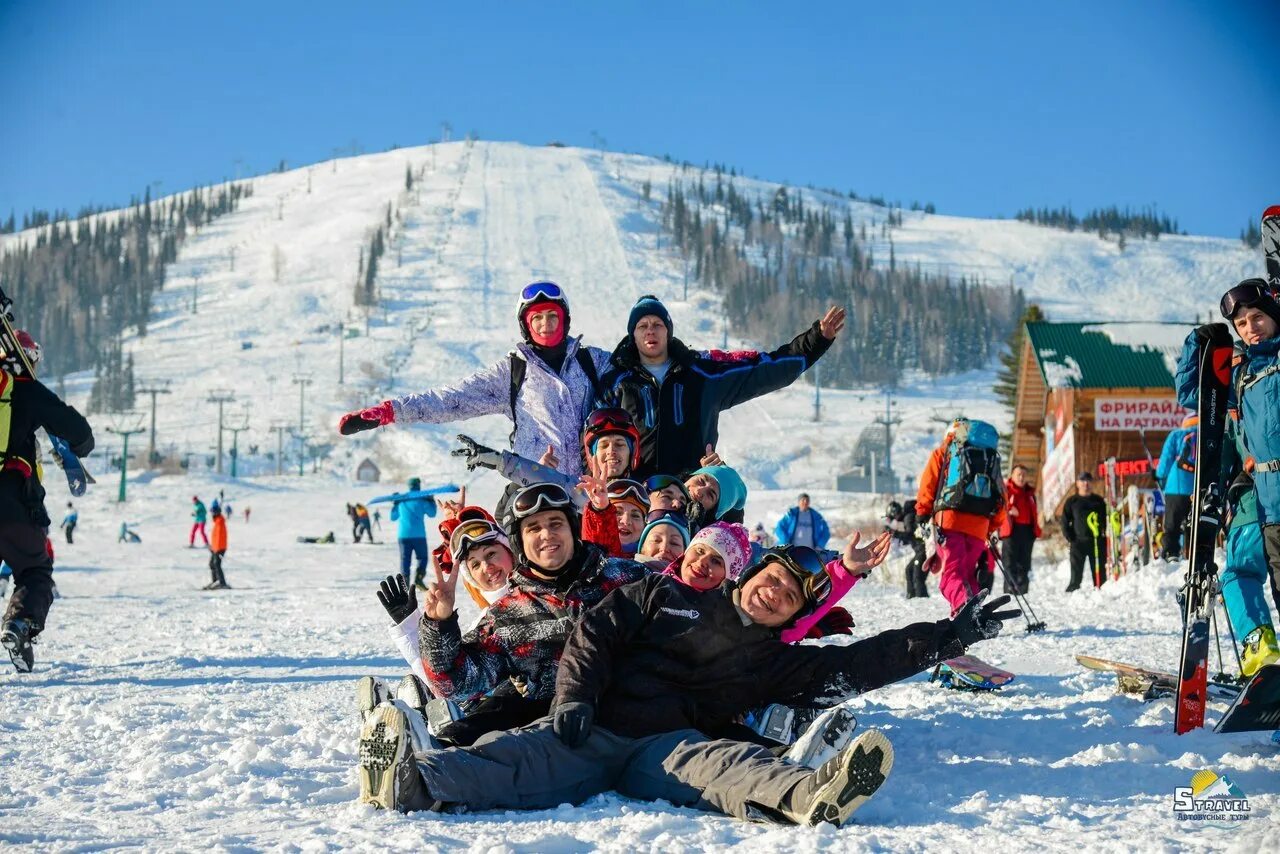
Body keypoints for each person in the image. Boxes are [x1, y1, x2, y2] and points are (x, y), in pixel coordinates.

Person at [357, 546, 1020, 823]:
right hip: (592, 726)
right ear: (746, 575)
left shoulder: (779, 663)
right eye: (771, 579)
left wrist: (947, 638)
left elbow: (866, 661)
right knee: (516, 757)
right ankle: (415, 778)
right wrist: (577, 699)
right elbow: (595, 633)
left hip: (668, 747)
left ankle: (811, 796)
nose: (775, 592)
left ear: (794, 614)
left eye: (789, 595)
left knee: (731, 764)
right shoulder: (663, 595)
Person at [413, 482, 648, 739]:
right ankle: (425, 763)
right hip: (556, 737)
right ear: (520, 542)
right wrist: (439, 623)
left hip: (638, 721)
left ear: (572, 529)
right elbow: (455, 685)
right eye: (533, 528)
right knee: (494, 720)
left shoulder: (627, 578)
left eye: (555, 524)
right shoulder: (507, 616)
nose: (546, 535)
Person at [339, 282, 611, 480]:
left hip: (590, 492)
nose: (545, 323)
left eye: (553, 315)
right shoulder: (512, 372)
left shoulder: (592, 362)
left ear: (565, 320)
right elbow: (451, 400)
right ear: (525, 325)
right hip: (535, 491)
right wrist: (389, 412)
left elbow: (640, 372)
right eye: (536, 317)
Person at [597, 294, 846, 478]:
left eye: (657, 325)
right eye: (643, 326)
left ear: (668, 332)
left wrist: (816, 341)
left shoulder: (701, 375)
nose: (650, 331)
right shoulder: (618, 383)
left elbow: (763, 371)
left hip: (692, 493)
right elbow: (592, 440)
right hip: (635, 496)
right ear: (633, 334)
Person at [1175, 280, 1280, 667]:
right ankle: (1260, 649)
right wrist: (1197, 347)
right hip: (1256, 491)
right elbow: (1195, 395)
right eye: (1242, 323)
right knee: (1238, 570)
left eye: (1258, 317)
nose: (1251, 327)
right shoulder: (1241, 373)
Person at [0, 329, 95, 672]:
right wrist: (79, 449)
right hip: (13, 504)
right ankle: (19, 624)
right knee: (35, 571)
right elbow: (79, 433)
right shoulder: (25, 389)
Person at [452, 408, 642, 511]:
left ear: (632, 452)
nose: (611, 452)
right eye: (603, 446)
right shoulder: (579, 490)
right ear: (592, 456)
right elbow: (541, 477)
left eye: (620, 444)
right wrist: (497, 460)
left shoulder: (645, 493)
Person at [915, 418, 1007, 615]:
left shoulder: (946, 451)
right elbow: (1001, 496)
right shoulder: (989, 457)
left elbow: (929, 483)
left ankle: (964, 610)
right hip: (980, 525)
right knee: (967, 573)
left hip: (950, 519)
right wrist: (990, 527)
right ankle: (975, 613)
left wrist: (922, 512)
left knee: (951, 574)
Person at [1155, 414, 1198, 560]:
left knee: (1172, 524)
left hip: (1176, 487)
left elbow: (1166, 459)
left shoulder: (1177, 434)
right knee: (1195, 523)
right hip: (1198, 488)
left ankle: (1171, 552)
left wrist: (1159, 475)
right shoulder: (1208, 434)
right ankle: (1195, 553)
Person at [1062, 472, 1108, 591]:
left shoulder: (1098, 501)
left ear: (1091, 483)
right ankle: (1073, 591)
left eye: (1088, 480)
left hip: (1096, 542)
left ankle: (1100, 590)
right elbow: (1065, 521)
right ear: (1077, 483)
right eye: (1082, 481)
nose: (1085, 484)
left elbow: (1105, 519)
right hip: (1078, 542)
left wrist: (1104, 535)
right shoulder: (1072, 501)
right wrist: (1070, 537)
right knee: (1076, 572)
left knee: (1099, 572)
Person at [998, 465, 1041, 594]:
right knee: (1010, 562)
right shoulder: (1005, 490)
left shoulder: (1030, 493)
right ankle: (1010, 589)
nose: (1021, 477)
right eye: (1019, 474)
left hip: (1027, 531)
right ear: (1012, 475)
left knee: (1024, 562)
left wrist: (1036, 529)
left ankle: (1023, 590)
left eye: (1023, 475)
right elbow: (998, 506)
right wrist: (1010, 509)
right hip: (1011, 530)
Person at [390, 477, 437, 589]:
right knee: (422, 558)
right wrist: (431, 501)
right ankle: (418, 579)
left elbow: (393, 517)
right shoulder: (422, 500)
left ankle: (404, 584)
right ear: (418, 485)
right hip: (419, 535)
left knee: (405, 559)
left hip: (403, 535)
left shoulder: (402, 500)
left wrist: (395, 504)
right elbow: (432, 513)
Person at [884, 501, 928, 599]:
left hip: (924, 550)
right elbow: (913, 537)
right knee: (909, 570)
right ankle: (911, 596)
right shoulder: (908, 517)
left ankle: (922, 599)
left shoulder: (909, 517)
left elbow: (910, 535)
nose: (894, 521)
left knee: (917, 576)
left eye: (893, 518)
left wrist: (894, 533)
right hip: (921, 550)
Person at [205, 504, 229, 590]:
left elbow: (220, 537)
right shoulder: (218, 521)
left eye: (213, 512)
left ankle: (222, 583)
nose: (211, 514)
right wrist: (212, 547)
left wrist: (216, 549)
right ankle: (215, 581)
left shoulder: (220, 522)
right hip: (216, 547)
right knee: (212, 564)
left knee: (216, 564)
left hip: (219, 548)